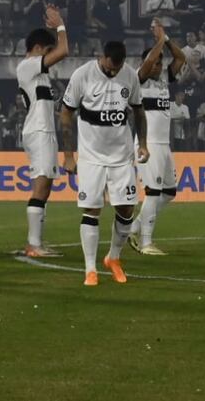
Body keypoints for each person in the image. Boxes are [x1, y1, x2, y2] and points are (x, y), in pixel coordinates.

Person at [60, 41, 148, 286]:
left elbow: (138, 110)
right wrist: (68, 155)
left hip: (121, 156)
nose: (113, 72)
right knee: (92, 209)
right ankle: (90, 269)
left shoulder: (129, 75)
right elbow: (66, 112)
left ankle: (113, 258)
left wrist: (143, 143)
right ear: (103, 57)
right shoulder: (83, 75)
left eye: (117, 69)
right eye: (110, 68)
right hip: (91, 157)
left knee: (127, 209)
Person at [129, 18, 186, 256]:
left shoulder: (164, 80)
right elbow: (149, 62)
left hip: (164, 145)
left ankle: (133, 227)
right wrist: (159, 40)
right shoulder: (137, 79)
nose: (159, 66)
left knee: (169, 193)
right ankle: (146, 243)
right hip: (147, 144)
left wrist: (167, 39)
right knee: (152, 192)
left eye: (162, 63)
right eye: (156, 62)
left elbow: (181, 59)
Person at [16, 4, 68, 257]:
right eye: (47, 51)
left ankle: (36, 242)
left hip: (43, 131)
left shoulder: (40, 75)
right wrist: (60, 25)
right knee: (41, 185)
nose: (50, 55)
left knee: (45, 187)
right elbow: (64, 50)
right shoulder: (27, 66)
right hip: (38, 132)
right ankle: (33, 245)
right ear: (37, 49)